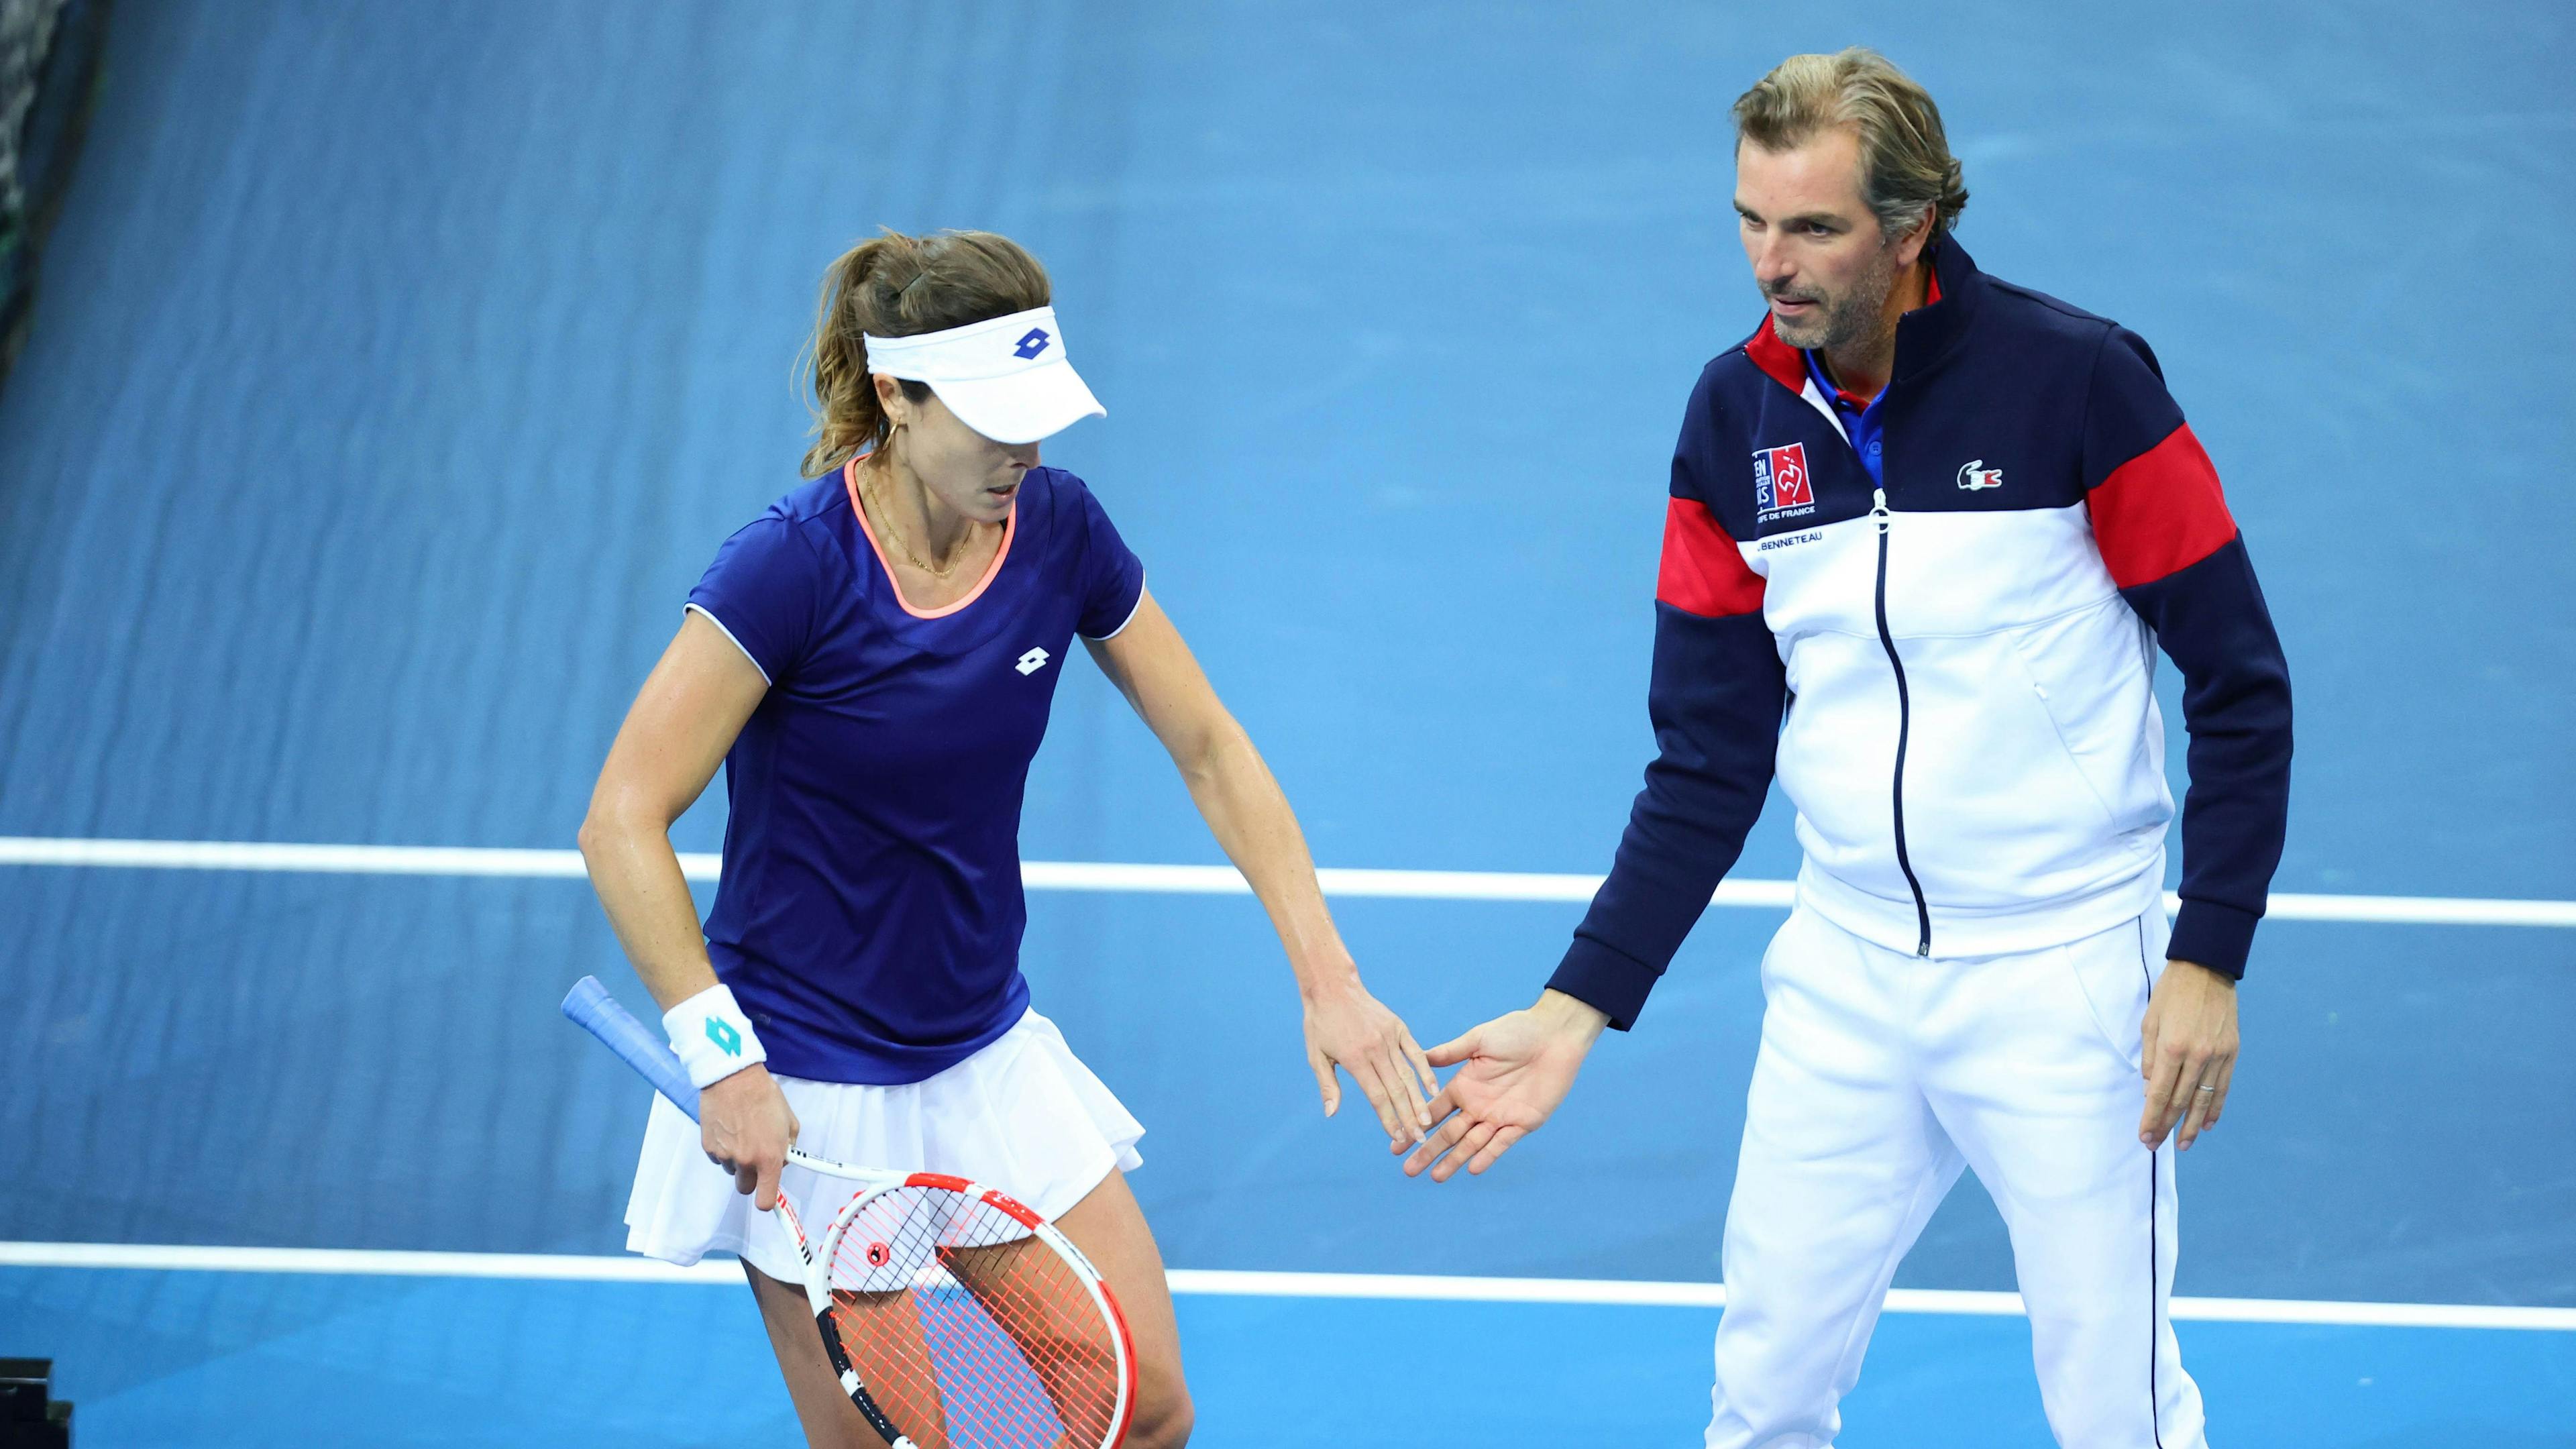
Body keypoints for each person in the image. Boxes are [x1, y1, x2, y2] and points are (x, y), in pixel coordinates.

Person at [1402, 49, 2292, 1449]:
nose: (1773, 262)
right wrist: (1580, 1004)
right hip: (1847, 978)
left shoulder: (2080, 383)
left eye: (1813, 228)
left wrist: (2207, 956)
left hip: (2065, 981)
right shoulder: (1733, 418)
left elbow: (2241, 683)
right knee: (1761, 1401)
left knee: (2116, 1411)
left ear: (1911, 224)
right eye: (1751, 220)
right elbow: (1705, 757)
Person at [579, 228, 1436, 1449]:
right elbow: (620, 818)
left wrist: (1329, 978)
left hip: (982, 1056)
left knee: (1142, 1414)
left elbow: (1210, 745)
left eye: (1039, 416)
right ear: (896, 396)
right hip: (808, 1089)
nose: (1022, 452)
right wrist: (723, 1061)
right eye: (993, 421)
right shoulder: (793, 567)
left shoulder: (1059, 530)